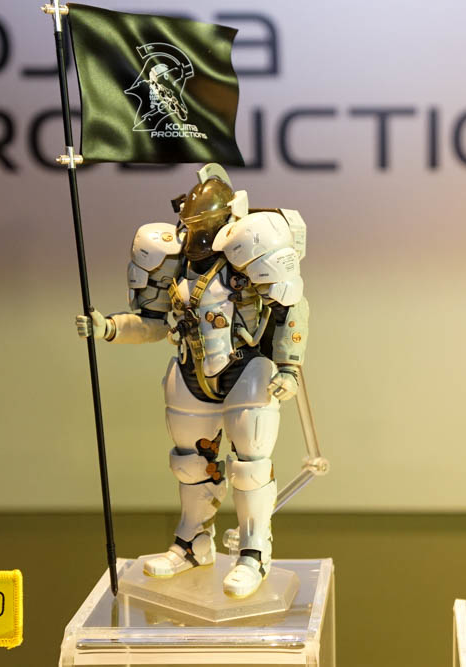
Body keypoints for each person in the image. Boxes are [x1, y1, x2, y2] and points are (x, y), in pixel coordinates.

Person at [77, 163, 309, 599]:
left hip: (246, 367)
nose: (196, 233)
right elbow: (152, 321)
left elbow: (290, 308)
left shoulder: (251, 246)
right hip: (190, 370)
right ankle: (192, 544)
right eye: (191, 223)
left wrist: (289, 366)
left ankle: (254, 553)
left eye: (203, 223)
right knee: (189, 463)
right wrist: (109, 328)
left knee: (250, 464)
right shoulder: (171, 259)